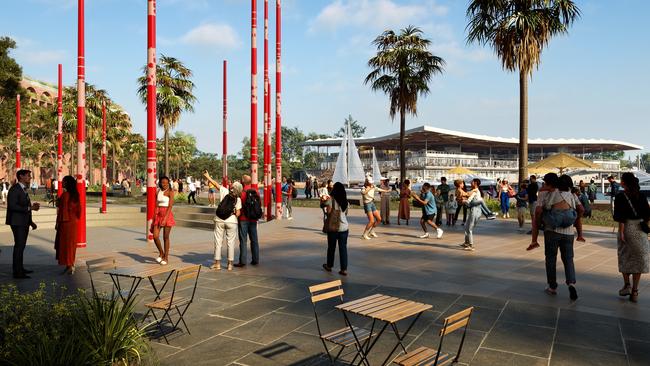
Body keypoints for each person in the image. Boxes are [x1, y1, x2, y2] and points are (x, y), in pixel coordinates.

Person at [529, 173, 583, 301]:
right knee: (568, 259)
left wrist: (538, 222)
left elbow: (538, 211)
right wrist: (576, 220)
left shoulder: (546, 193)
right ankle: (571, 283)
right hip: (569, 233)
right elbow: (581, 208)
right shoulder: (571, 194)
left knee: (551, 259)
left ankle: (552, 286)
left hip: (551, 231)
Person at [613, 172, 650, 303]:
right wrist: (645, 227)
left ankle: (626, 285)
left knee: (625, 256)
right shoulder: (642, 196)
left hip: (627, 228)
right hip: (640, 229)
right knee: (638, 259)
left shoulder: (620, 196)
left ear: (624, 183)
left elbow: (620, 216)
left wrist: (621, 232)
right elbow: (647, 213)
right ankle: (635, 291)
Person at [6, 169, 40, 279]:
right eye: (28, 176)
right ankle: (17, 272)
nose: (30, 177)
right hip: (17, 222)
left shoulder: (23, 189)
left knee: (21, 246)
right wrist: (31, 208)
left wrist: (31, 222)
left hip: (23, 222)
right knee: (19, 247)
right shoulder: (15, 189)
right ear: (21, 176)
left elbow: (24, 205)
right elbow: (13, 206)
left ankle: (20, 268)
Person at [209, 175, 242, 271]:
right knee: (230, 243)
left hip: (219, 220)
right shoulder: (238, 199)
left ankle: (217, 264)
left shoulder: (225, 191)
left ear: (232, 187)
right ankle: (230, 265)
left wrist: (208, 177)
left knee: (218, 242)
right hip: (231, 221)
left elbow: (215, 184)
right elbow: (238, 213)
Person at [55, 175, 81, 274]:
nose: (62, 183)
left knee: (66, 244)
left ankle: (69, 265)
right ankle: (70, 264)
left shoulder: (66, 195)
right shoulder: (75, 194)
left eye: (64, 181)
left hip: (66, 222)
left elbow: (63, 210)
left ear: (67, 183)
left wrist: (58, 222)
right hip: (73, 222)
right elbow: (78, 210)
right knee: (71, 244)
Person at [322, 182, 349, 276]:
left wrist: (323, 201)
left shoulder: (331, 200)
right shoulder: (346, 202)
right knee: (343, 248)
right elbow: (345, 214)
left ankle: (329, 266)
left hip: (333, 228)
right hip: (344, 228)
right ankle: (344, 269)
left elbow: (328, 212)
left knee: (331, 248)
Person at [235, 175, 260, 267]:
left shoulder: (241, 193)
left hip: (243, 219)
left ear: (243, 181)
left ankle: (242, 261)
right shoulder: (256, 191)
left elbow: (238, 206)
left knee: (243, 240)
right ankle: (255, 259)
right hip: (253, 219)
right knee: (254, 240)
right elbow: (258, 205)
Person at [151, 176, 175, 265]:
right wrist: (154, 217)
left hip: (167, 215)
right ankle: (161, 253)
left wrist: (165, 218)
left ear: (168, 183)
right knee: (155, 236)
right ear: (160, 183)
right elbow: (156, 205)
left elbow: (170, 206)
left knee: (166, 237)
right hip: (158, 214)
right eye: (162, 182)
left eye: (166, 182)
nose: (164, 184)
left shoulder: (170, 192)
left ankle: (166, 257)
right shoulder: (158, 191)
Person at [461, 178, 484, 251]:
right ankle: (466, 243)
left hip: (475, 211)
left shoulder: (475, 191)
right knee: (467, 227)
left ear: (475, 183)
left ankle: (471, 245)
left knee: (469, 228)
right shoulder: (476, 190)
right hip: (474, 210)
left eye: (472, 182)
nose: (470, 183)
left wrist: (463, 200)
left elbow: (468, 201)